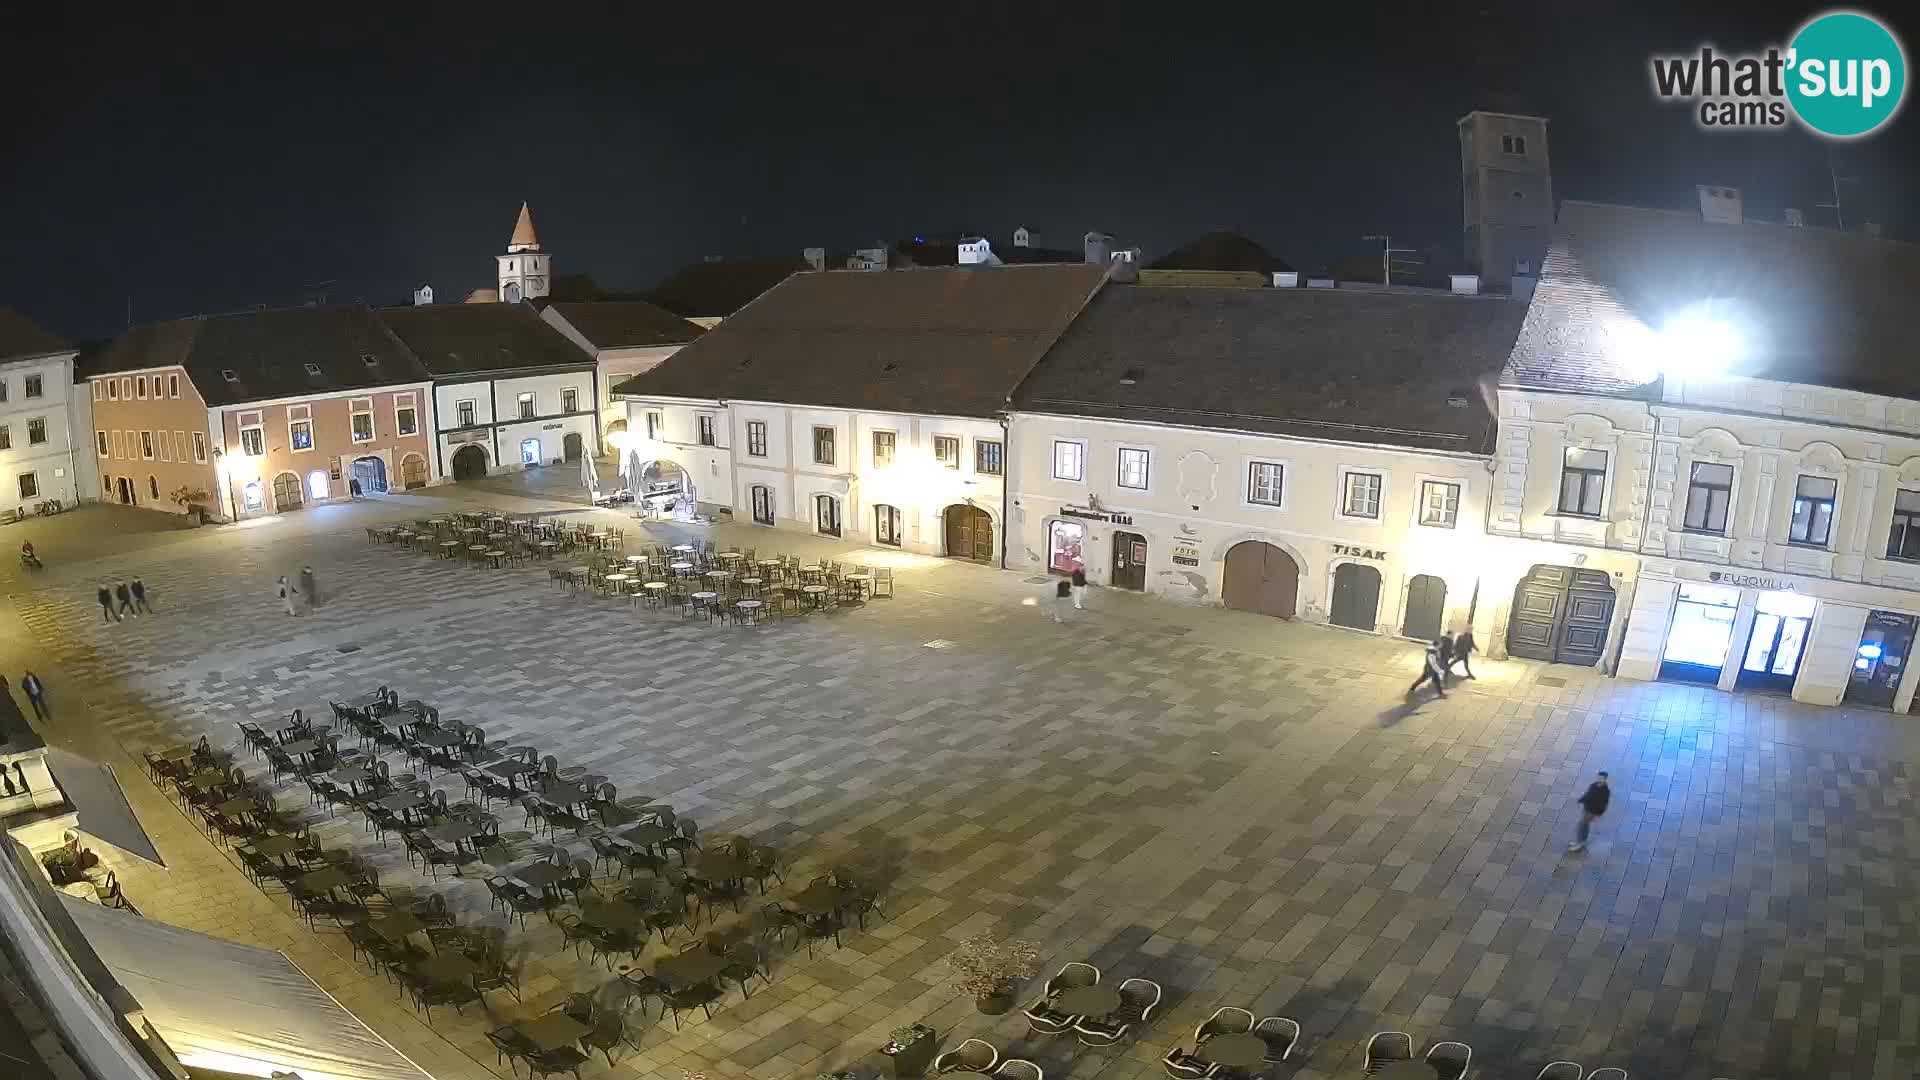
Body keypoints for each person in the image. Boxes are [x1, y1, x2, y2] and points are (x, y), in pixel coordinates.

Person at [1569, 771, 1611, 852]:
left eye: (1601, 778)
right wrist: (1581, 800)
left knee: (1582, 825)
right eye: (1598, 777)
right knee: (1584, 824)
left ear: (1605, 779)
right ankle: (1581, 841)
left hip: (1592, 811)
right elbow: (1587, 794)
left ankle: (1579, 843)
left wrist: (1599, 812)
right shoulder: (1593, 785)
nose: (1599, 779)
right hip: (1587, 808)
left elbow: (1604, 803)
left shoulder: (1605, 791)